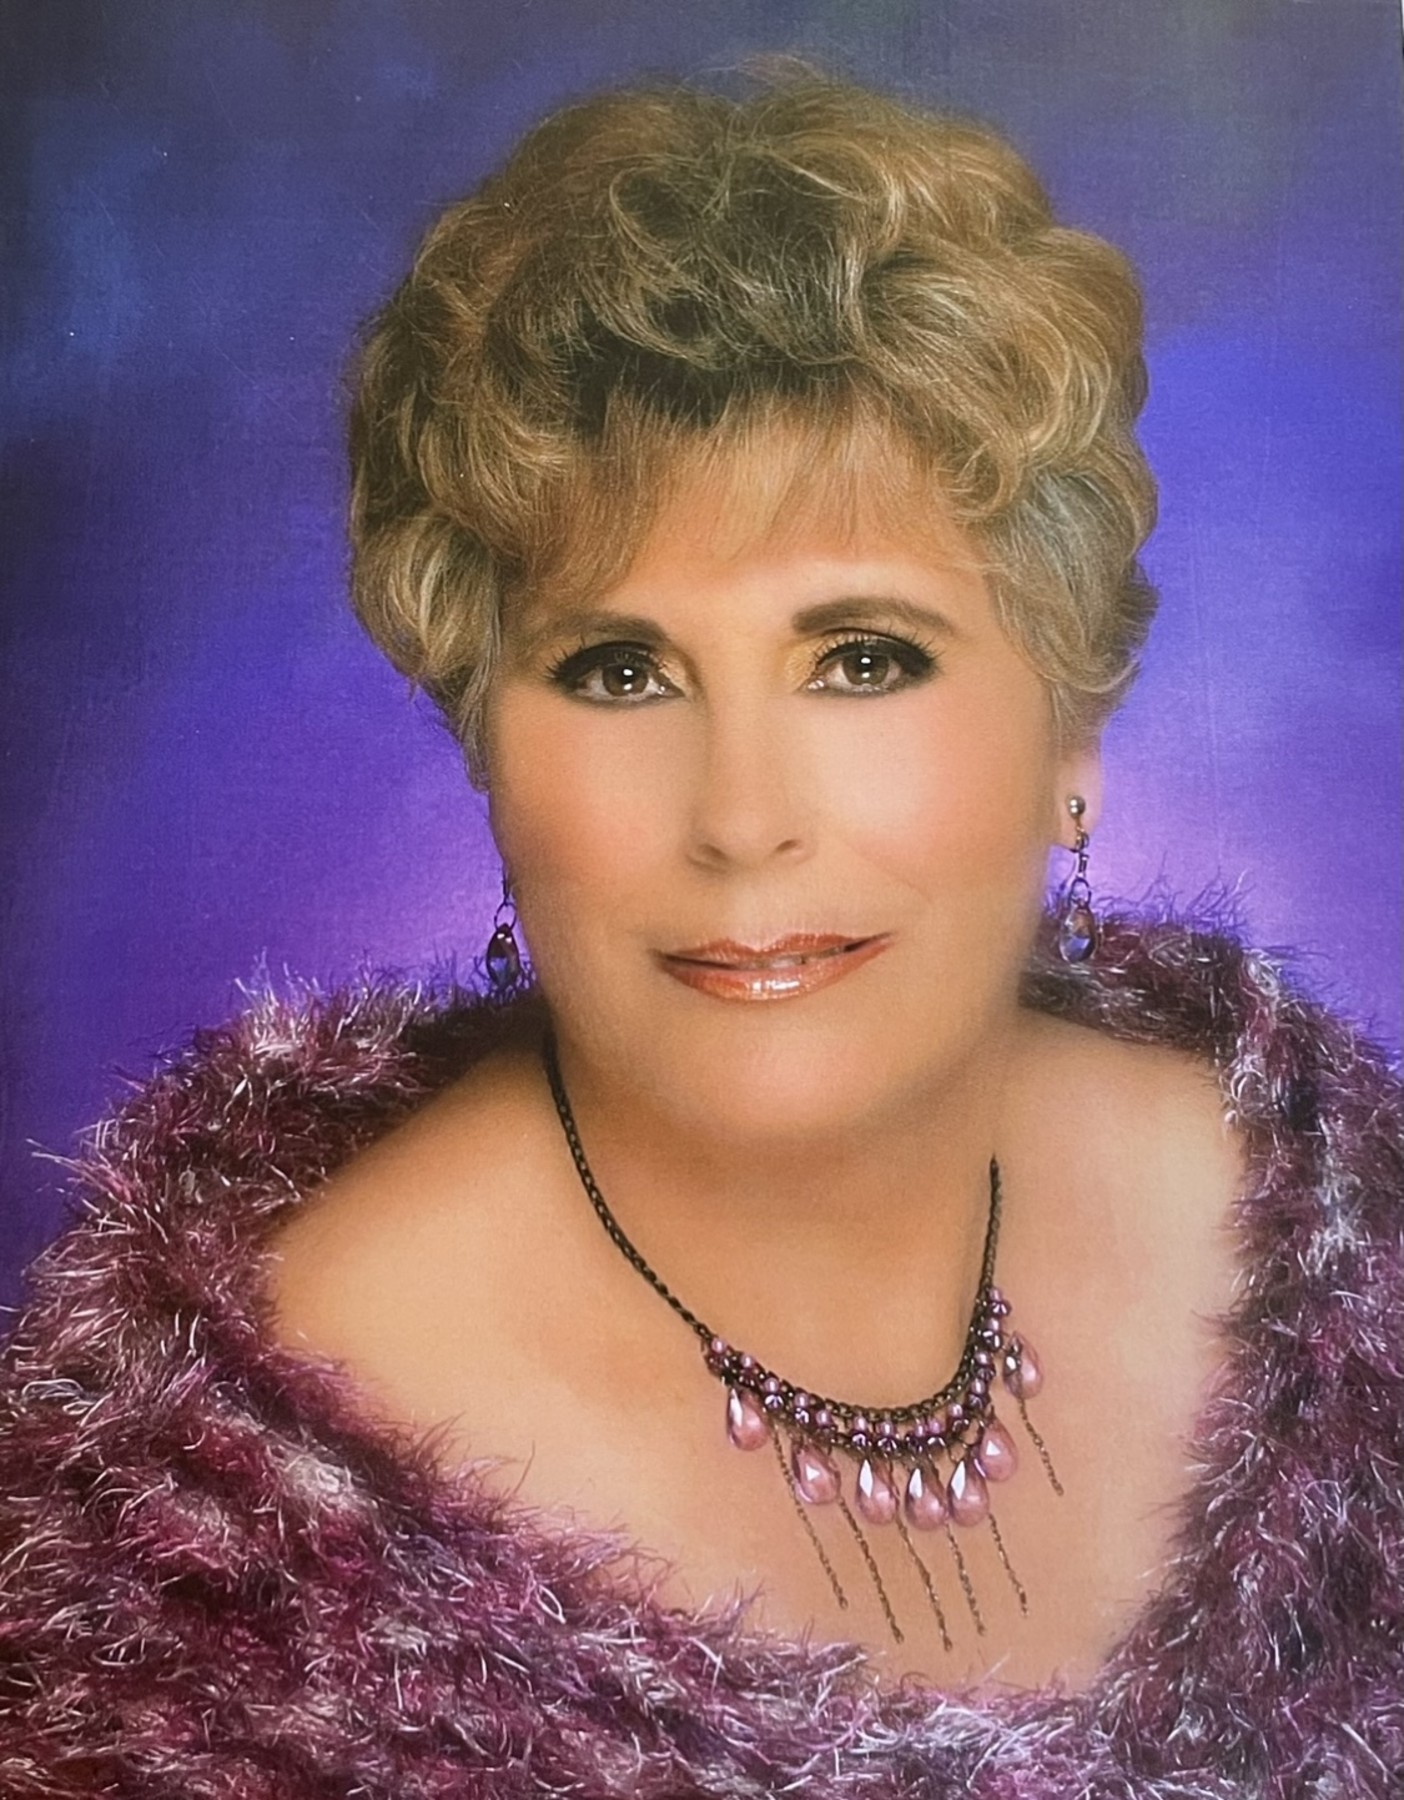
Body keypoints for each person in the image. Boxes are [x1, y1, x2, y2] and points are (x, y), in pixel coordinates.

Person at [0, 72, 1398, 1799]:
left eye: (862, 658)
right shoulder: (216, 1550)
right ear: (487, 750)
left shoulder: (1331, 1221)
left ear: (1070, 735)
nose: (742, 816)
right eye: (619, 670)